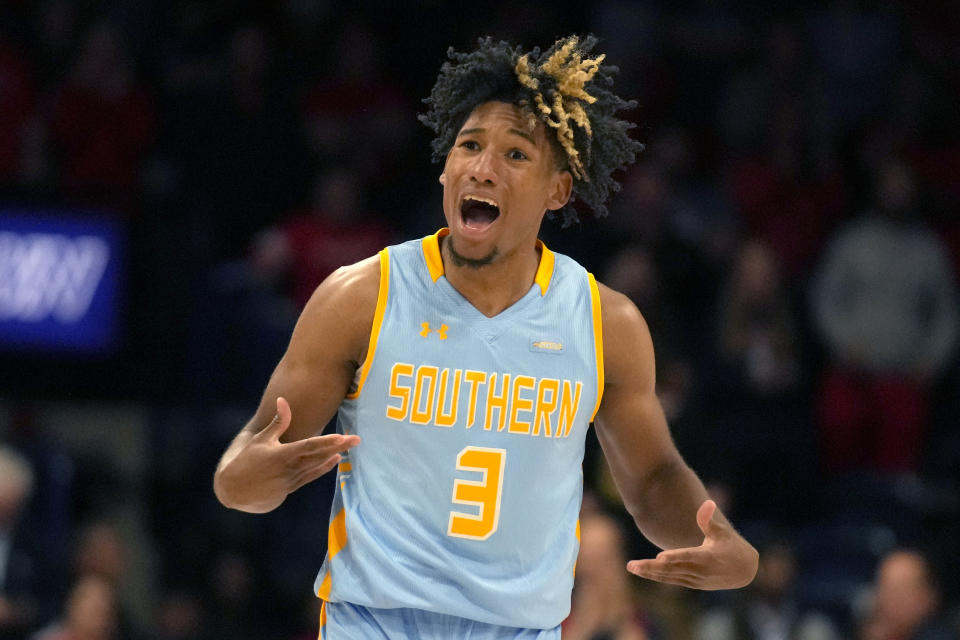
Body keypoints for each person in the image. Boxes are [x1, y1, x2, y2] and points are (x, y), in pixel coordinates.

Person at [214, 35, 758, 639]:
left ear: (558, 190)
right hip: (374, 622)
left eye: (516, 155)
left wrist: (719, 539)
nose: (482, 167)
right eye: (469, 146)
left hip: (519, 629)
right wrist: (250, 478)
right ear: (446, 166)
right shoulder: (361, 298)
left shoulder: (605, 323)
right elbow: (244, 469)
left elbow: (653, 479)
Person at [858, 549, 957, 640]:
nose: (890, 598)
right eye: (886, 588)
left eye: (901, 590)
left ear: (928, 595)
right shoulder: (866, 629)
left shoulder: (940, 635)